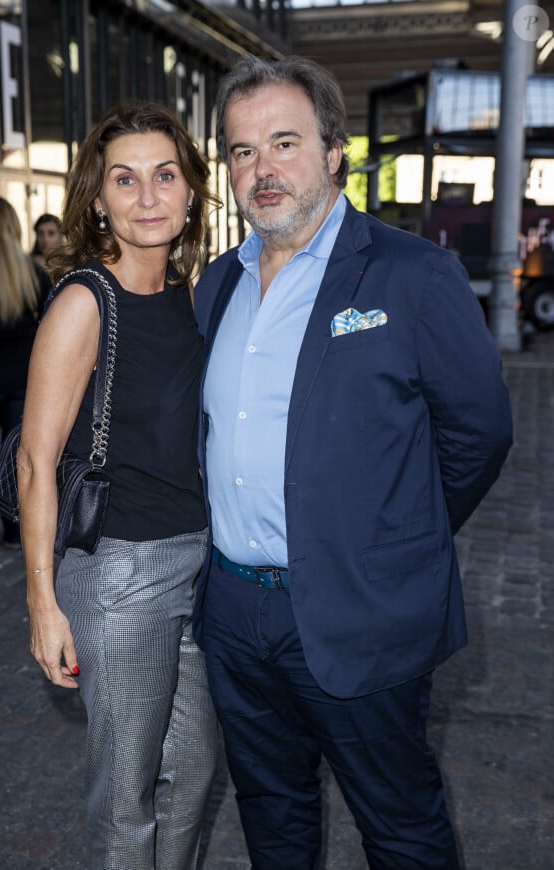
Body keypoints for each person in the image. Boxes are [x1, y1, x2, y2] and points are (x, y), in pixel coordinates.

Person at [192, 55, 514, 869]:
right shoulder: (216, 286)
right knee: (272, 812)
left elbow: (478, 434)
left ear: (333, 151)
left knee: (400, 826)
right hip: (235, 612)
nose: (262, 169)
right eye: (241, 150)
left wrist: (389, 539)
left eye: (284, 142)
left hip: (359, 611)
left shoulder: (414, 274)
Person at [17, 102, 220, 870]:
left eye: (164, 176)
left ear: (191, 189)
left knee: (195, 776)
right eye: (124, 180)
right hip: (120, 576)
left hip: (198, 567)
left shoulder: (188, 295)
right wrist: (43, 603)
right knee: (127, 800)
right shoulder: (83, 302)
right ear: (98, 199)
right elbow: (35, 460)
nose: (146, 197)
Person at [0, 195, 51, 548]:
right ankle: (12, 532)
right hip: (22, 380)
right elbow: (47, 321)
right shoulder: (31, 272)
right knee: (15, 461)